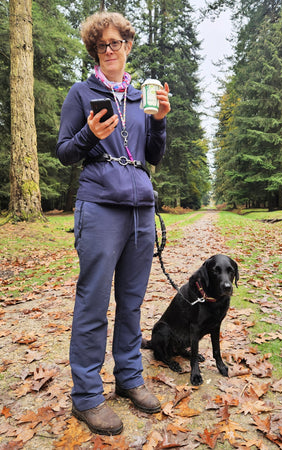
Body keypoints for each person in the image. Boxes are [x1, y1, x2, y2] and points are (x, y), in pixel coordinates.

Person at [56, 11, 171, 436]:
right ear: (94, 50)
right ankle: (86, 397)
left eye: (116, 42)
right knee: (92, 303)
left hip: (141, 210)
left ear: (127, 46)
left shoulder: (142, 97)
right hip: (100, 206)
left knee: (132, 301)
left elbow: (153, 156)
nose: (109, 50)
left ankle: (128, 377)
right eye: (101, 44)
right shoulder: (81, 93)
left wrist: (159, 122)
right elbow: (65, 152)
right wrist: (89, 133)